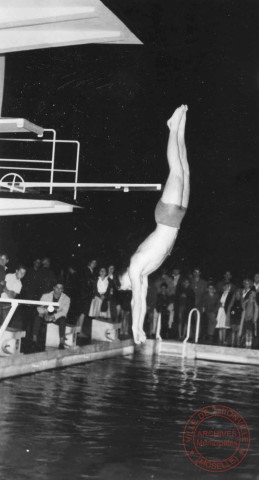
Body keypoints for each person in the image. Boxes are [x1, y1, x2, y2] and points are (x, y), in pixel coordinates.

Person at [118, 105, 190, 344]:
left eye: (125, 285)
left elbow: (135, 300)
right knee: (185, 172)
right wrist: (138, 329)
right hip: (175, 219)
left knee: (177, 172)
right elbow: (138, 299)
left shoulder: (135, 266)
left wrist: (136, 331)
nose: (130, 287)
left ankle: (171, 127)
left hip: (166, 217)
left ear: (124, 277)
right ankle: (180, 129)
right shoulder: (144, 272)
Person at [32, 282, 70, 350]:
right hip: (46, 315)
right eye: (57, 288)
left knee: (63, 319)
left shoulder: (66, 298)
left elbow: (64, 312)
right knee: (37, 318)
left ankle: (61, 342)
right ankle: (34, 340)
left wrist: (53, 316)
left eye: (60, 288)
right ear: (54, 288)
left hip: (57, 317)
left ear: (63, 290)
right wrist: (45, 313)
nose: (58, 290)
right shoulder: (45, 296)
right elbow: (39, 308)